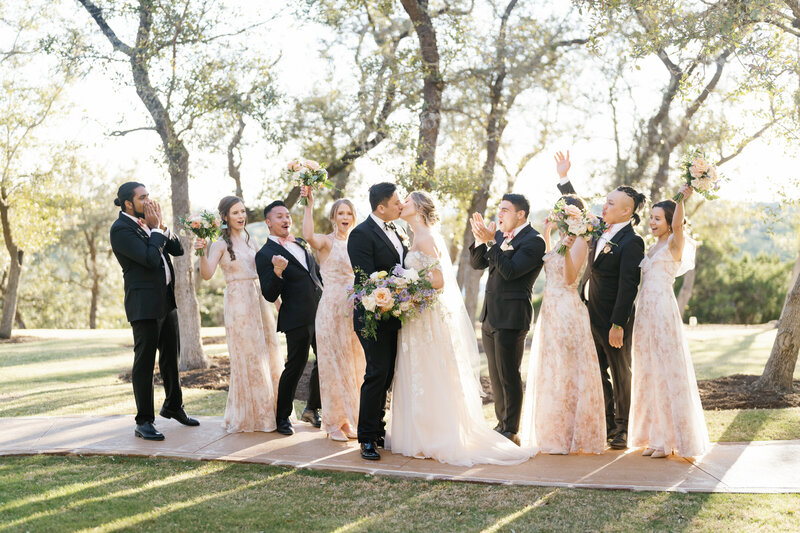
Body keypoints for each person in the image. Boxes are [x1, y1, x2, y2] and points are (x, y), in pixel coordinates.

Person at [389, 191, 534, 466]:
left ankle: (437, 434)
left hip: (428, 317)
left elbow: (439, 280)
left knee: (429, 370)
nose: (401, 204)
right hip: (418, 316)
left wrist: (404, 286)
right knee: (420, 370)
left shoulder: (427, 238)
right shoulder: (415, 237)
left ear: (419, 208)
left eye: (406, 200)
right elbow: (474, 264)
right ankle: (419, 433)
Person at [555, 150, 646, 450]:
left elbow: (628, 284)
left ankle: (622, 429)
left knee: (621, 373)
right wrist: (564, 178)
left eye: (610, 203)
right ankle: (607, 422)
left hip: (613, 318)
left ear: (626, 211)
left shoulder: (632, 241)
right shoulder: (598, 228)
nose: (603, 206)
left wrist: (618, 323)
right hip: (589, 314)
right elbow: (578, 212)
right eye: (605, 201)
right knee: (598, 371)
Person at [109, 181, 199, 441]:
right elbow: (149, 259)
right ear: (128, 203)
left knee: (171, 357)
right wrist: (155, 230)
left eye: (149, 196)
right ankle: (144, 421)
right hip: (144, 306)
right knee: (145, 363)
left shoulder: (150, 223)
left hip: (166, 302)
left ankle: (173, 405)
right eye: (143, 197)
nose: (149, 201)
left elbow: (178, 249)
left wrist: (159, 226)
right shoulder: (120, 230)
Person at [518, 195, 606, 454]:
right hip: (551, 309)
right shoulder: (562, 240)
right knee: (553, 370)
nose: (556, 215)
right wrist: (547, 233)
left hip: (567, 309)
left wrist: (566, 247)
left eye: (560, 212)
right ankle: (552, 431)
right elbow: (549, 263)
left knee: (567, 370)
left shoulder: (580, 241)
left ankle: (569, 435)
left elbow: (569, 278)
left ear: (572, 216)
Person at [629, 185, 710, 458]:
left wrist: (680, 199)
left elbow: (678, 225)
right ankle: (655, 437)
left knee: (665, 372)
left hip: (663, 310)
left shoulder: (676, 243)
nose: (652, 222)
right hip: (645, 311)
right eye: (651, 218)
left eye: (658, 218)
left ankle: (668, 441)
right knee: (649, 372)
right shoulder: (654, 247)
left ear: (670, 221)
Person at [194, 196, 282, 433]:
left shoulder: (250, 239)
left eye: (243, 211)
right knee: (249, 356)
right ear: (225, 217)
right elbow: (207, 274)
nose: (241, 216)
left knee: (269, 352)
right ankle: (252, 417)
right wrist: (202, 252)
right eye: (235, 213)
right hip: (238, 302)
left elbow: (261, 273)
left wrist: (277, 302)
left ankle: (273, 413)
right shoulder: (219, 244)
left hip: (259, 300)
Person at [469, 194, 546, 446]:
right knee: (495, 373)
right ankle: (500, 424)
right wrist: (481, 241)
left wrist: (492, 243)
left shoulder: (534, 242)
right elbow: (477, 264)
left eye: (505, 210)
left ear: (520, 214)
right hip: (490, 314)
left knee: (509, 374)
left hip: (513, 316)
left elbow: (511, 272)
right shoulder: (500, 236)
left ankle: (511, 430)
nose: (499, 214)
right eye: (499, 209)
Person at [347, 182, 407, 460]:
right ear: (381, 207)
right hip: (372, 315)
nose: (401, 205)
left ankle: (378, 429)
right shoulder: (360, 234)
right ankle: (367, 438)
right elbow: (365, 278)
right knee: (376, 373)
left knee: (388, 375)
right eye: (396, 202)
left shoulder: (398, 229)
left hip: (395, 314)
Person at [300, 186, 365, 441]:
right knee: (333, 366)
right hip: (331, 308)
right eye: (340, 213)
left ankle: (350, 420)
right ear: (334, 217)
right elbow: (307, 235)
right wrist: (308, 204)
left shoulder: (357, 242)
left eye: (349, 212)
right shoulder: (327, 242)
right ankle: (334, 422)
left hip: (354, 310)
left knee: (354, 365)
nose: (345, 217)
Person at [255, 201, 323, 436]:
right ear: (268, 222)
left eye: (287, 216)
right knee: (296, 364)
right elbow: (269, 293)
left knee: (325, 361)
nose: (286, 220)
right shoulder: (264, 254)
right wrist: (277, 272)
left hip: (321, 310)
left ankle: (312, 408)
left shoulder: (301, 243)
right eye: (279, 217)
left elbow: (314, 275)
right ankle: (282, 416)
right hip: (296, 315)